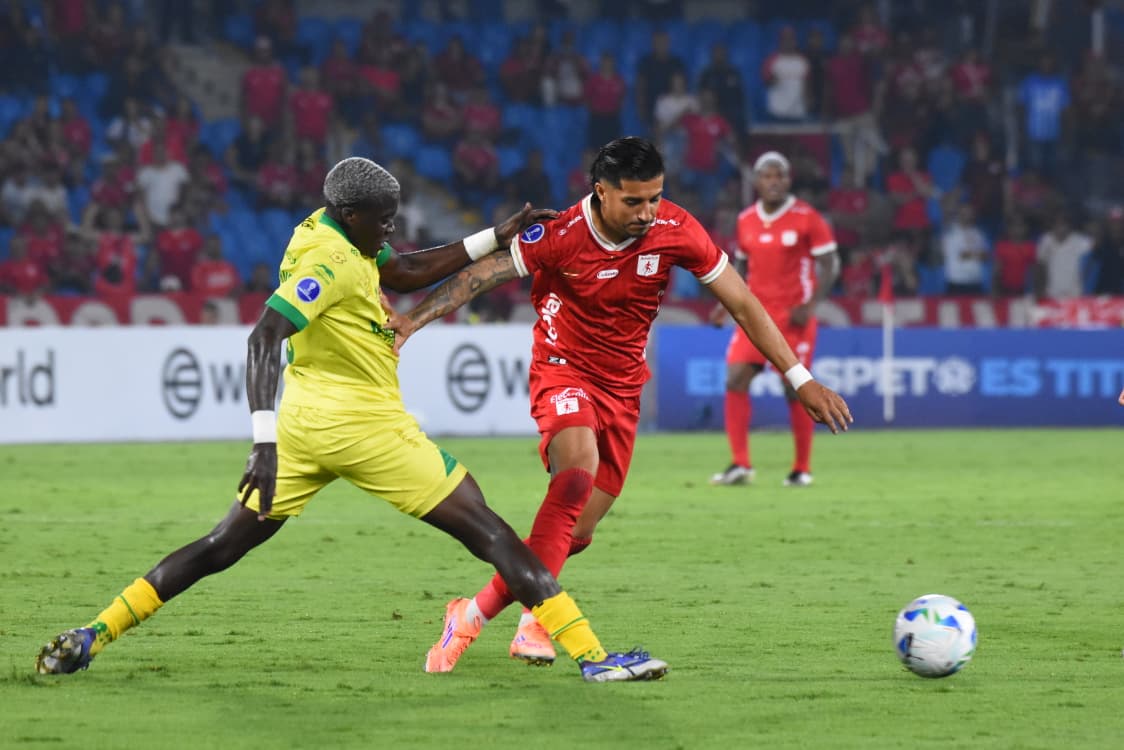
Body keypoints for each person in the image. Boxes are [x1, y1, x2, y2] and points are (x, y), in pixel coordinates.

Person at [35, 157, 666, 684]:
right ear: (351, 215)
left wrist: (492, 237)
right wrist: (259, 444)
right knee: (493, 534)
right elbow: (263, 337)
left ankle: (94, 634)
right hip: (364, 427)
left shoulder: (327, 230)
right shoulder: (330, 265)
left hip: (306, 423)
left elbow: (404, 270)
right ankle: (593, 657)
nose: (390, 228)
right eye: (383, 220)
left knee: (220, 545)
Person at [391, 138, 852, 671]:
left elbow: (743, 302)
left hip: (624, 387)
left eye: (654, 198)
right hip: (562, 368)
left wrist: (800, 378)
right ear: (601, 192)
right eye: (634, 201)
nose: (647, 213)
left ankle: (469, 613)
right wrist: (412, 322)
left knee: (576, 532)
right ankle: (538, 622)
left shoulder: (675, 228)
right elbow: (478, 276)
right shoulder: (560, 234)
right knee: (574, 477)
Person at [709, 151, 841, 488]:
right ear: (756, 182)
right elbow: (739, 267)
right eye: (767, 176)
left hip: (793, 316)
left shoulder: (807, 217)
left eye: (779, 175)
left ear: (788, 180)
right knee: (735, 378)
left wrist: (811, 304)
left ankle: (801, 468)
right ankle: (740, 464)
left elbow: (831, 264)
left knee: (794, 388)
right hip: (754, 314)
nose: (773, 182)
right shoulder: (746, 220)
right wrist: (725, 303)